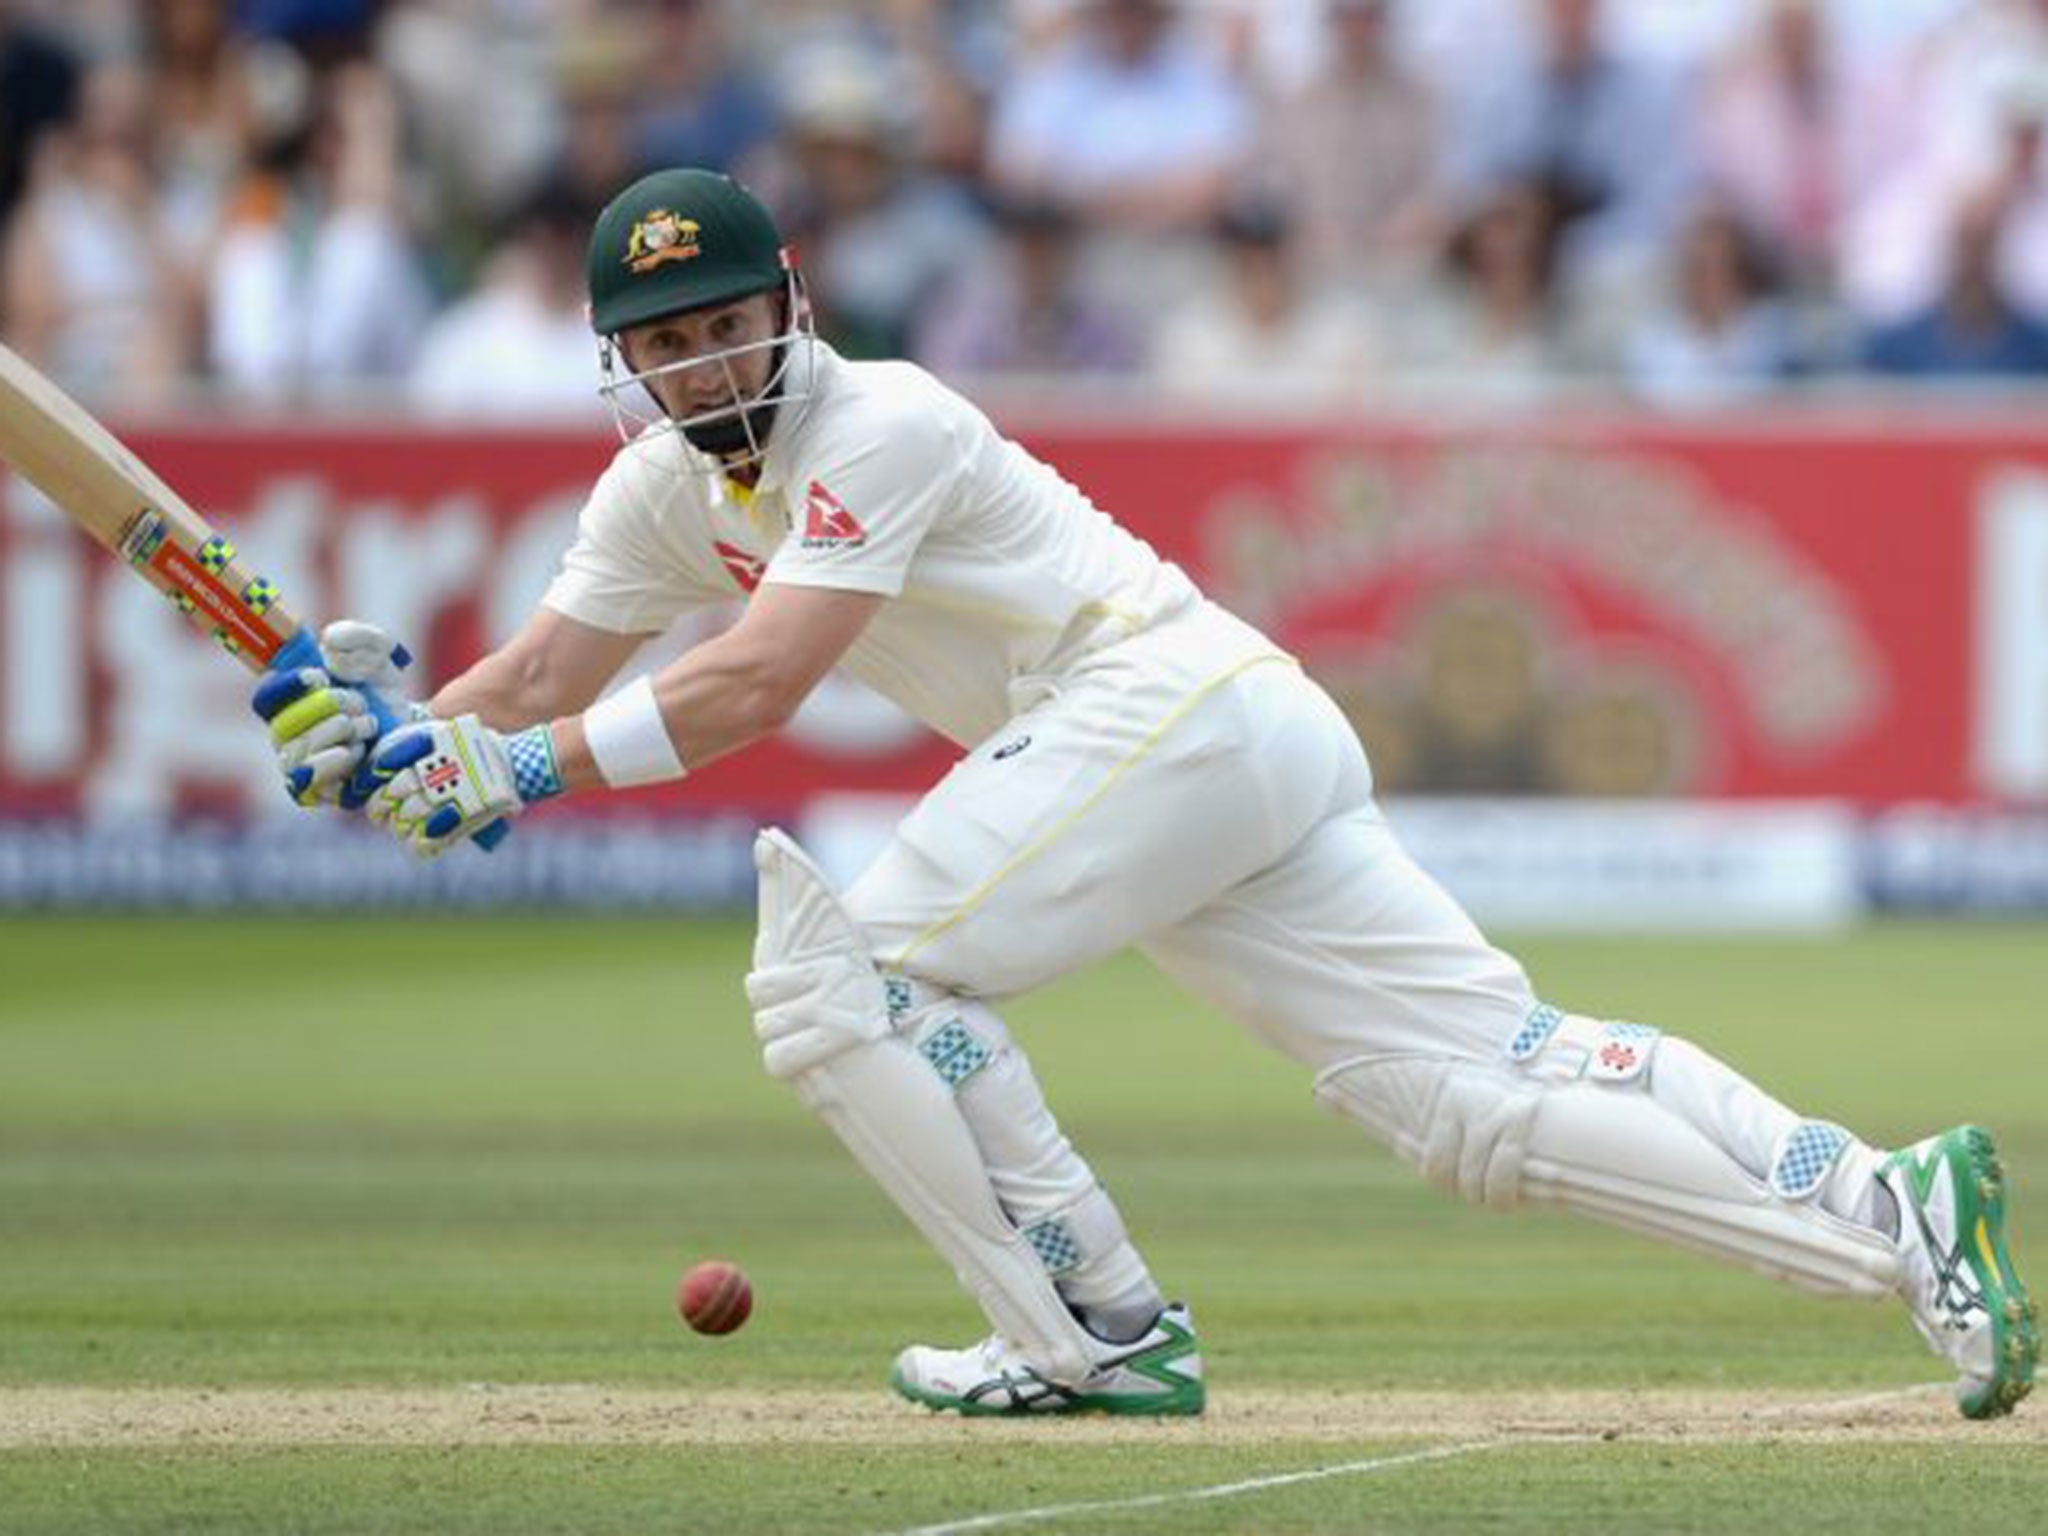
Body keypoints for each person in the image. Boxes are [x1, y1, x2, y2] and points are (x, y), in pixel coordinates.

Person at [253, 167, 2037, 1420]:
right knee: (1469, 1098)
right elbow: (537, 681)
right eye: (669, 341)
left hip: (1156, 715)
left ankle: (1092, 1329)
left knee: (845, 979)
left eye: (729, 323)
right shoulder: (654, 491)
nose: (707, 365)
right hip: (1202, 748)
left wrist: (509, 769)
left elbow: (754, 682)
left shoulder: (887, 419)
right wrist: (387, 740)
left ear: (793, 302)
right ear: (620, 358)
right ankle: (1896, 1209)